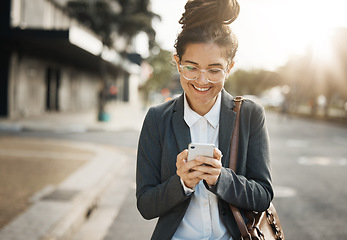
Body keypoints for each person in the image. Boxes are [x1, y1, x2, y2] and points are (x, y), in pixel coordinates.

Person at [136, 0, 273, 239]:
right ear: (178, 63)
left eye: (214, 69)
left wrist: (222, 179)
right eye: (191, 67)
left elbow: (263, 195)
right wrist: (182, 184)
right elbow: (146, 205)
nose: (201, 80)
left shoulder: (251, 115)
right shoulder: (157, 119)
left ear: (229, 68)